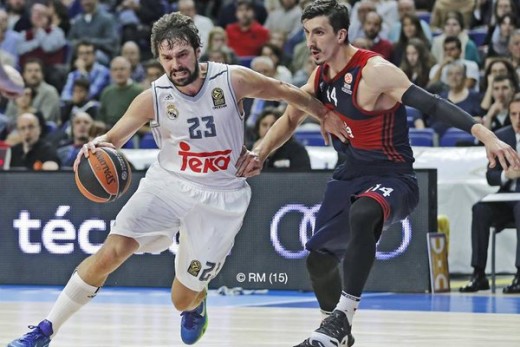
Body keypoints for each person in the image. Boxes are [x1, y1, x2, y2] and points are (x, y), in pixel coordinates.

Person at [6, 11, 347, 347]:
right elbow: (113, 138)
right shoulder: (153, 97)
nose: (176, 64)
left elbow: (287, 92)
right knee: (112, 251)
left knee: (181, 299)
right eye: (167, 57)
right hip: (166, 185)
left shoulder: (232, 80)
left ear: (198, 51)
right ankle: (45, 331)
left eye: (182, 54)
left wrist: (319, 116)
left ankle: (196, 302)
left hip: (220, 196)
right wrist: (95, 146)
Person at [235, 2, 520, 346]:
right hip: (349, 174)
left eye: (320, 32)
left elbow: (431, 103)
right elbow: (290, 118)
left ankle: (343, 315)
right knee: (318, 260)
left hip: (394, 177)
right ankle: (334, 332)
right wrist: (259, 154)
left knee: (365, 210)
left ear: (341, 34)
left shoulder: (375, 70)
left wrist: (486, 135)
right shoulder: (320, 75)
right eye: (307, 32)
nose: (311, 41)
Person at [460, 93, 520, 294]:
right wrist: (506, 175)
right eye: (513, 114)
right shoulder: (502, 137)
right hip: (506, 197)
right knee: (480, 210)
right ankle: (478, 273)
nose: (517, 119)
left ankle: (519, 274)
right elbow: (490, 176)